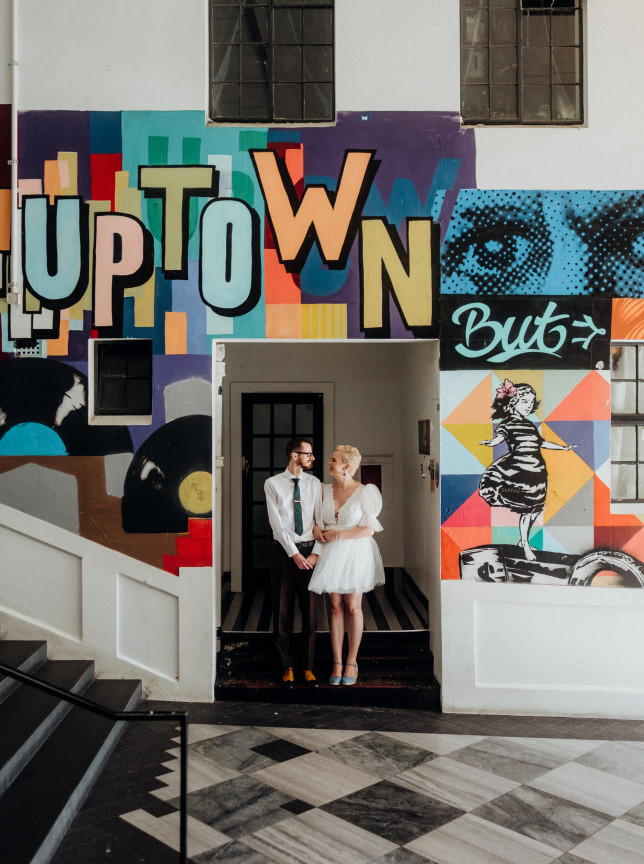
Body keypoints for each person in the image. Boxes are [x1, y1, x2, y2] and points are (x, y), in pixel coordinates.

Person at [308, 445, 385, 686]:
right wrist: (316, 530)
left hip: (354, 551)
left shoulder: (365, 492)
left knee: (352, 606)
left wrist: (339, 535)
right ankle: (337, 661)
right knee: (334, 606)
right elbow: (314, 520)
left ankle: (352, 661)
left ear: (347, 466)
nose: (329, 463)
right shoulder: (322, 490)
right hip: (329, 552)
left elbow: (369, 529)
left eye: (334, 460)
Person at [479, 379, 577, 561]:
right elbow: (499, 438)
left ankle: (523, 541)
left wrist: (563, 448)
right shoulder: (507, 424)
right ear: (513, 402)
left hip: (536, 471)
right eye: (524, 401)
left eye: (531, 402)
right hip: (519, 471)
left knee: (537, 508)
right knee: (528, 509)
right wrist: (491, 442)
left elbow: (542, 443)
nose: (529, 406)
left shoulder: (529, 425)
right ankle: (525, 544)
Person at [264, 438, 322, 687]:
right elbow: (276, 523)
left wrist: (315, 553)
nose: (312, 458)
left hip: (310, 552)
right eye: (308, 454)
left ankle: (308, 666)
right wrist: (293, 554)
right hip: (283, 553)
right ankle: (286, 665)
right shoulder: (272, 484)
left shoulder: (314, 484)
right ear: (294, 455)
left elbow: (320, 521)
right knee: (282, 610)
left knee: (310, 611)